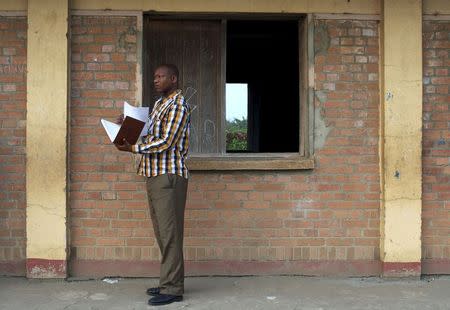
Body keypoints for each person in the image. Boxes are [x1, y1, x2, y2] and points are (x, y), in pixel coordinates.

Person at [115, 64, 190, 306]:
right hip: (153, 174)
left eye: (161, 77)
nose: (155, 80)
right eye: (154, 76)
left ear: (174, 79)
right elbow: (149, 134)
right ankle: (168, 281)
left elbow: (166, 142)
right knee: (162, 233)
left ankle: (173, 288)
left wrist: (133, 148)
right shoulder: (159, 105)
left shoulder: (179, 105)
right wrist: (127, 125)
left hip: (169, 176)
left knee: (171, 234)